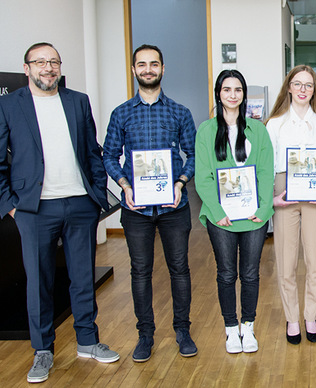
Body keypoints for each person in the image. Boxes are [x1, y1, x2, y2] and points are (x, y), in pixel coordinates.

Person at [0, 42, 118, 383]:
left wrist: (96, 193)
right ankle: (43, 351)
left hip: (80, 204)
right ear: (26, 68)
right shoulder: (8, 105)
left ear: (59, 67)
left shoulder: (77, 101)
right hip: (35, 210)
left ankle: (88, 340)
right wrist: (11, 206)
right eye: (40, 62)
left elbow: (92, 153)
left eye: (53, 61)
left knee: (83, 277)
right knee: (39, 281)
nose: (47, 67)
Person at [103, 44, 197, 362]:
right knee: (140, 271)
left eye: (153, 64)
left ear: (162, 68)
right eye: (141, 64)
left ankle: (182, 331)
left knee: (179, 270)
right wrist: (125, 185)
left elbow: (193, 155)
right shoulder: (121, 114)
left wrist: (181, 183)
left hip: (173, 207)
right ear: (134, 70)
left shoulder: (180, 113)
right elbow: (108, 155)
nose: (148, 69)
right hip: (136, 209)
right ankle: (145, 335)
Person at [195, 70, 274, 354]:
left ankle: (248, 327)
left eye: (237, 89)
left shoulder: (258, 129)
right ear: (218, 93)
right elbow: (202, 175)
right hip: (221, 218)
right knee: (227, 273)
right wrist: (216, 212)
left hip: (254, 217)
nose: (232, 95)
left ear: (243, 94)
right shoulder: (205, 130)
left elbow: (265, 172)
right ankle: (231, 329)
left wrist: (264, 209)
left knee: (251, 274)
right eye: (226, 89)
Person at [266, 65, 316, 345]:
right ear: (288, 87)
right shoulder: (274, 123)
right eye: (297, 84)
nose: (302, 90)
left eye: (308, 85)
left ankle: (311, 315)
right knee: (285, 261)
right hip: (284, 189)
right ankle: (292, 319)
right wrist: (269, 197)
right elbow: (267, 165)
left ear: (314, 91)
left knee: (315, 259)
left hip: (314, 189)